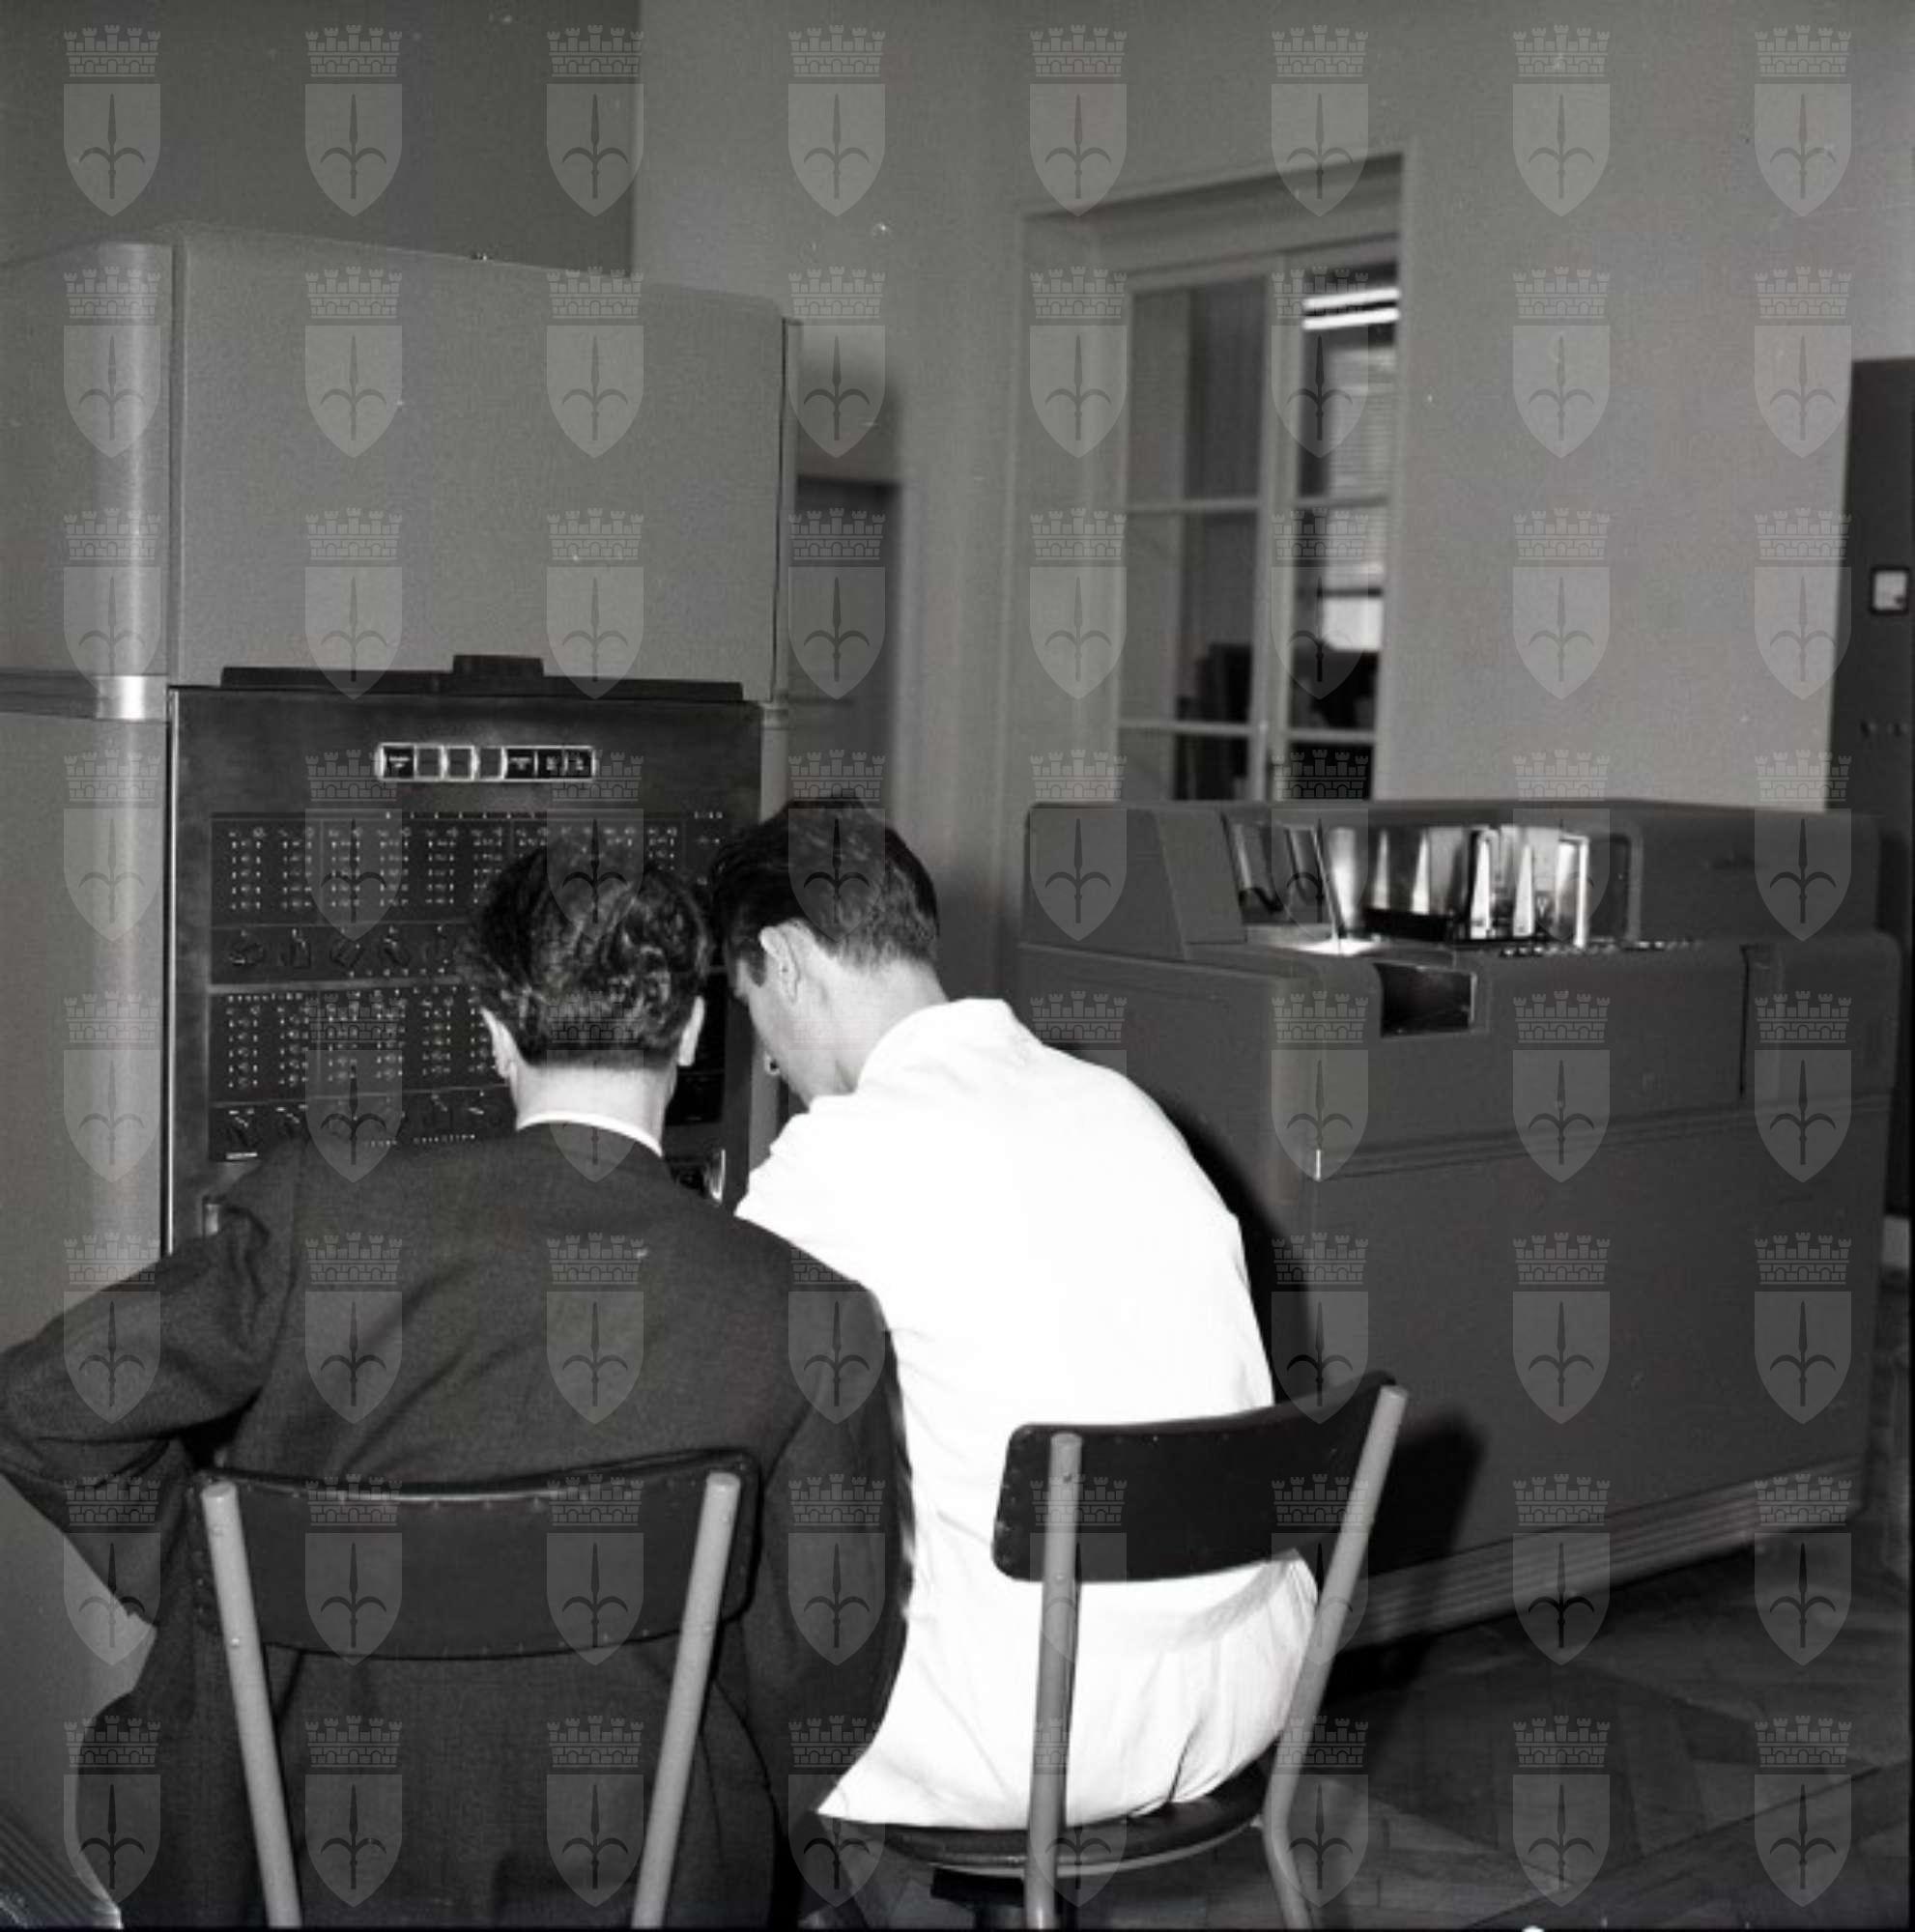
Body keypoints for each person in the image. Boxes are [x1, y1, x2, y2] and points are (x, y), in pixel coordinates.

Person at [0, 849, 903, 1925]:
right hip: (642, 1880)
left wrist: (217, 1588)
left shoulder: (318, 1220)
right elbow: (824, 1691)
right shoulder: (811, 1315)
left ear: (496, 1031)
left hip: (295, 1855)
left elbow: (42, 1406)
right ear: (697, 1033)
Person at [706, 801, 1315, 1839]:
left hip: (1029, 1727)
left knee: (708, 1625)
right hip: (1253, 1677)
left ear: (788, 960)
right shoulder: (1124, 1106)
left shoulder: (840, 1158)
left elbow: (710, 1394)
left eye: (751, 1006)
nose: (768, 1060)